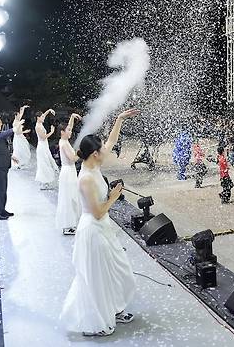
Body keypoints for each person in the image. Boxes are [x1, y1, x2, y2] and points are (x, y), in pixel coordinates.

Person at [60, 108, 139, 337]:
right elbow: (97, 212)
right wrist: (114, 196)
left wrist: (119, 120)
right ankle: (99, 319)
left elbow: (112, 140)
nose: (107, 149)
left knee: (116, 271)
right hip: (93, 231)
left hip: (103, 229)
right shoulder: (85, 178)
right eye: (102, 148)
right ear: (94, 153)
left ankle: (114, 308)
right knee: (99, 277)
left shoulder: (94, 165)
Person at [0, 114, 22, 220]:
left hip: (2, 165)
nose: (1, 123)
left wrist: (11, 156)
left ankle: (2, 209)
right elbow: (0, 136)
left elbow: (1, 148)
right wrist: (14, 128)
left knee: (3, 190)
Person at [56, 114, 82, 235]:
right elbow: (72, 159)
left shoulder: (64, 140)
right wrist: (80, 153)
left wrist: (72, 117)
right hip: (68, 172)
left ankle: (70, 224)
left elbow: (69, 126)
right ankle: (69, 226)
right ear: (62, 132)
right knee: (69, 198)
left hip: (68, 172)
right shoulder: (64, 143)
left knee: (71, 197)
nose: (71, 132)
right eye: (69, 130)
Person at [35, 109, 59, 189]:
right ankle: (44, 182)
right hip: (42, 146)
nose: (44, 117)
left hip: (44, 146)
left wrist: (49, 110)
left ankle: (46, 181)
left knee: (47, 161)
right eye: (42, 117)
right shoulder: (38, 126)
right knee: (44, 163)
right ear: (38, 118)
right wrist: (52, 132)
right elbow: (43, 137)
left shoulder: (40, 122)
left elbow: (44, 114)